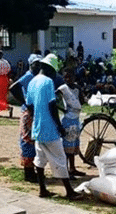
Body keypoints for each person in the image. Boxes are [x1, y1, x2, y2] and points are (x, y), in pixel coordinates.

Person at [26, 54, 82, 200]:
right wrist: (59, 126)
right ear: (49, 69)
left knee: (40, 160)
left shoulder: (32, 82)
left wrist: (36, 118)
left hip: (37, 128)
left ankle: (42, 189)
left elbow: (29, 105)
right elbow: (52, 106)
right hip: (50, 129)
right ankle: (69, 191)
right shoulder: (48, 82)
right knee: (60, 159)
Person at [11, 54, 42, 183]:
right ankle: (28, 173)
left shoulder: (37, 77)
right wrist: (24, 103)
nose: (38, 66)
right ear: (31, 64)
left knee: (34, 141)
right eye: (36, 64)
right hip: (28, 113)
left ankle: (32, 171)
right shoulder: (28, 76)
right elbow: (13, 87)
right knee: (27, 141)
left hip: (34, 112)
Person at [56, 68, 86, 178]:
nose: (68, 79)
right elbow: (53, 99)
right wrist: (62, 108)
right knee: (67, 147)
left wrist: (81, 93)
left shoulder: (77, 88)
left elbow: (82, 101)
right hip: (68, 119)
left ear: (74, 77)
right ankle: (67, 170)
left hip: (76, 119)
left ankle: (72, 168)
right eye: (66, 77)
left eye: (70, 77)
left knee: (72, 147)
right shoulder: (63, 88)